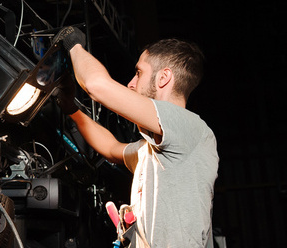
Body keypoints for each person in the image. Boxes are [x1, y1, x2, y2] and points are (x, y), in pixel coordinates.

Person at [54, 27, 219, 247]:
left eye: (139, 72)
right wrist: (72, 109)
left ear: (163, 78)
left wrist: (73, 44)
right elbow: (111, 148)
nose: (131, 83)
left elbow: (96, 85)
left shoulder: (190, 127)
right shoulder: (153, 151)